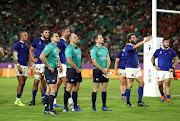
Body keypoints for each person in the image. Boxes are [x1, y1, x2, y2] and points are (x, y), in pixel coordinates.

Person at [125, 33, 151, 107]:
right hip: (130, 68)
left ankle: (140, 101)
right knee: (130, 85)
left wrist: (139, 66)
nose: (135, 38)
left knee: (142, 83)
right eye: (133, 38)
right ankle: (128, 102)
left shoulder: (134, 48)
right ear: (130, 40)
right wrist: (144, 41)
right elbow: (136, 46)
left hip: (136, 68)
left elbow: (135, 58)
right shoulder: (128, 46)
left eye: (135, 37)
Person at [151, 38, 178, 103]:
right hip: (160, 70)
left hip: (168, 70)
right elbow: (152, 58)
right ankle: (162, 95)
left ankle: (168, 98)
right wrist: (154, 65)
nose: (167, 44)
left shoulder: (172, 51)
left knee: (167, 83)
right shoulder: (158, 51)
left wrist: (173, 67)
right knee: (160, 85)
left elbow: (176, 60)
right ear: (162, 43)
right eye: (165, 42)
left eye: (168, 42)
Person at [40, 32, 60, 115]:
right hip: (50, 70)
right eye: (56, 36)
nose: (58, 37)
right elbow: (41, 56)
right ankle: (51, 109)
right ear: (51, 39)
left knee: (48, 89)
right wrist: (48, 66)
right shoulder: (49, 46)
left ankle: (46, 109)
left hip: (54, 70)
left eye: (58, 36)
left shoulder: (55, 47)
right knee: (53, 88)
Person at [29, 28, 50, 105]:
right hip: (39, 64)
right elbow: (30, 50)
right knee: (36, 81)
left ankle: (44, 98)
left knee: (44, 82)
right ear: (42, 34)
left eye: (48, 32)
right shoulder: (36, 41)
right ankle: (33, 100)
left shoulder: (49, 42)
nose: (47, 34)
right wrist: (32, 58)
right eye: (46, 32)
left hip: (46, 64)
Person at [91, 34, 112, 111]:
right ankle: (93, 107)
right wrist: (102, 69)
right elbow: (94, 62)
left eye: (102, 37)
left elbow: (108, 59)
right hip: (97, 71)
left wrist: (106, 68)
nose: (102, 39)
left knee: (104, 89)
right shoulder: (94, 50)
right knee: (95, 89)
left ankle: (104, 106)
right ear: (96, 40)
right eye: (100, 38)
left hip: (105, 71)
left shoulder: (105, 49)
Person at [63, 33, 83, 112]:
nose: (77, 38)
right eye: (75, 37)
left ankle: (75, 107)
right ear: (70, 39)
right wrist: (76, 68)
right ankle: (65, 107)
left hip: (78, 70)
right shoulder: (69, 48)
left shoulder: (78, 49)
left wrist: (81, 67)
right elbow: (69, 61)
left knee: (76, 88)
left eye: (77, 37)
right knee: (69, 88)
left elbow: (80, 60)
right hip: (71, 70)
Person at [13, 31, 33, 106]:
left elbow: (28, 57)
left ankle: (18, 99)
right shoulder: (17, 45)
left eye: (27, 35)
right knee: (21, 82)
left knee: (23, 83)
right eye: (25, 35)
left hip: (25, 66)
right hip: (19, 65)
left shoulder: (27, 46)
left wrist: (30, 66)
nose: (27, 36)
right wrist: (18, 65)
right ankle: (18, 100)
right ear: (21, 36)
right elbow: (15, 56)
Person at [53, 27, 71, 108]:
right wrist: (59, 64)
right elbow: (57, 53)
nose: (69, 32)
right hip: (62, 64)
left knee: (58, 83)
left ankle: (53, 101)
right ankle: (71, 103)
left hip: (64, 64)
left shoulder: (64, 42)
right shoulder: (61, 41)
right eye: (67, 31)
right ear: (63, 32)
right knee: (67, 83)